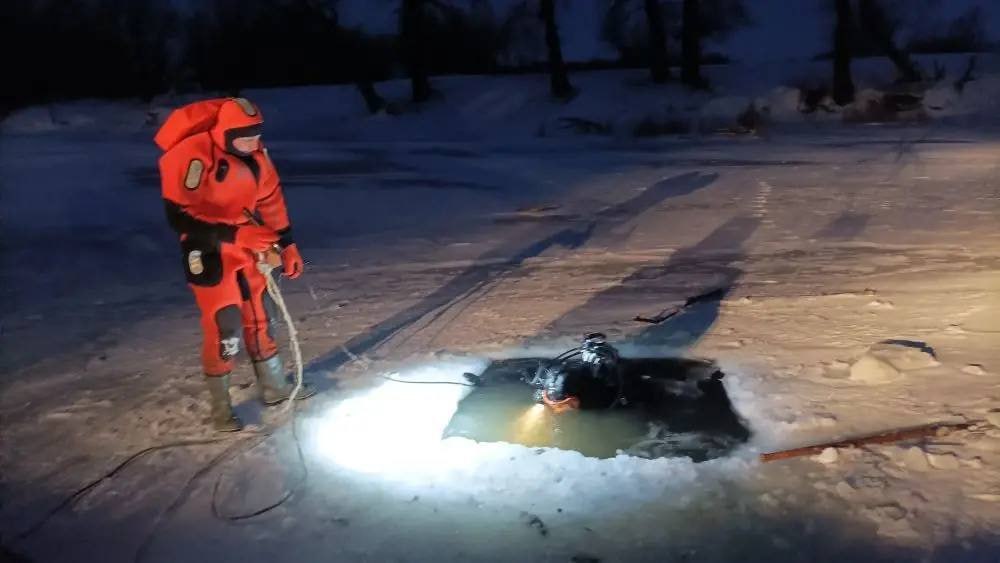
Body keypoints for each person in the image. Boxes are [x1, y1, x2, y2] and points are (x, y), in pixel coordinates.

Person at [154, 97, 313, 431]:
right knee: (225, 324)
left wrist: (288, 243)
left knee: (259, 315)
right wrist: (234, 235)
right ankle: (221, 406)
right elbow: (178, 216)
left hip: (248, 249)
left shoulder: (256, 157)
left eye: (257, 135)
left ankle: (274, 386)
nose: (254, 143)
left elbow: (271, 199)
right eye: (245, 137)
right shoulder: (193, 154)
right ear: (225, 133)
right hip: (209, 248)